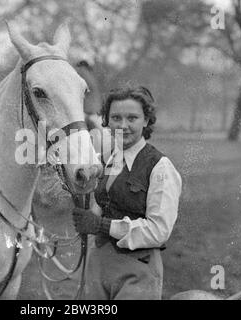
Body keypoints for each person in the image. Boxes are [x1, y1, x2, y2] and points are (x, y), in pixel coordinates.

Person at [72, 86, 182, 300]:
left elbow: (159, 230)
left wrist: (101, 225)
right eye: (116, 118)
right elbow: (103, 205)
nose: (123, 126)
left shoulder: (160, 167)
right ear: (107, 121)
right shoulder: (110, 158)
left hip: (137, 271)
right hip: (98, 267)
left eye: (132, 118)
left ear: (146, 120)